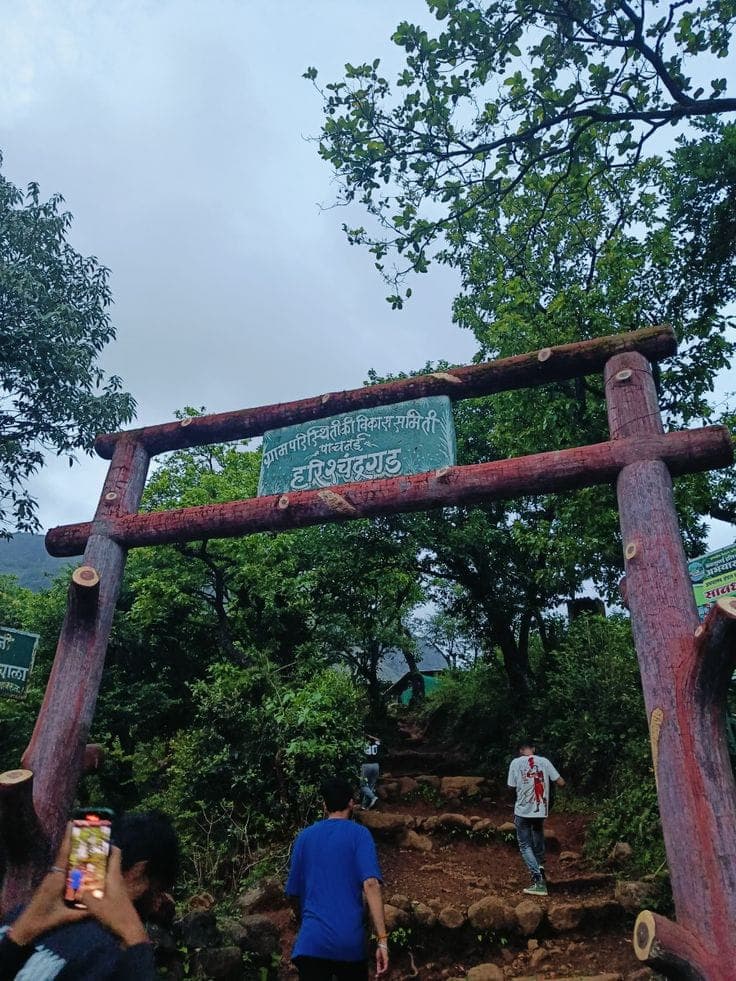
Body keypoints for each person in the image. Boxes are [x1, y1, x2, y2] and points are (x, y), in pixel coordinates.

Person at [0, 811, 179, 980]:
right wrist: (136, 938)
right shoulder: (111, 957)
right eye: (160, 888)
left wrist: (20, 935)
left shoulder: (20, 921)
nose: (159, 902)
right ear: (139, 874)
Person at [286, 776, 389, 980]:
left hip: (311, 943)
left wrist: (306, 921)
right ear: (351, 803)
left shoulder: (304, 837)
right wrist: (382, 940)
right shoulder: (360, 835)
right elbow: (370, 883)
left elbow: (292, 893)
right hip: (349, 942)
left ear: (324, 805)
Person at [507, 740, 565, 897]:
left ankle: (538, 882)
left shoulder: (515, 763)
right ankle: (540, 865)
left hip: (523, 810)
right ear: (533, 748)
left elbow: (511, 787)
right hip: (539, 811)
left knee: (525, 845)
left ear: (520, 750)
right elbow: (561, 782)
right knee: (538, 832)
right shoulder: (544, 761)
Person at [360, 735, 381, 810]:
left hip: (366, 765)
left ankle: (373, 797)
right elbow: (379, 739)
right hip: (376, 765)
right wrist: (372, 737)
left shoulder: (362, 743)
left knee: (363, 785)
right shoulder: (376, 742)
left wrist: (366, 736)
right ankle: (364, 805)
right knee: (371, 786)